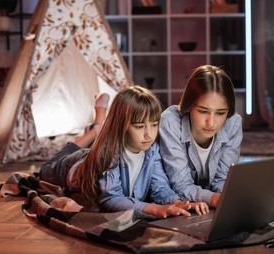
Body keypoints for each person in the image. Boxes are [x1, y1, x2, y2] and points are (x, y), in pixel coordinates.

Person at [39, 85, 208, 219]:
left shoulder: (152, 149)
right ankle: (97, 127)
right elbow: (111, 199)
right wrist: (154, 209)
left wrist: (178, 202)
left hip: (94, 154)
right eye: (140, 126)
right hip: (71, 166)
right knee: (46, 168)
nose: (149, 134)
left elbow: (160, 186)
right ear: (121, 126)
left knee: (89, 148)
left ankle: (98, 126)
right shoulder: (108, 153)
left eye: (154, 124)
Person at [159, 65, 243, 208]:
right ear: (189, 104)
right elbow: (181, 184)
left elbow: (223, 179)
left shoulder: (233, 122)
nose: (211, 122)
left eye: (220, 113)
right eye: (203, 111)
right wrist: (213, 198)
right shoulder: (170, 121)